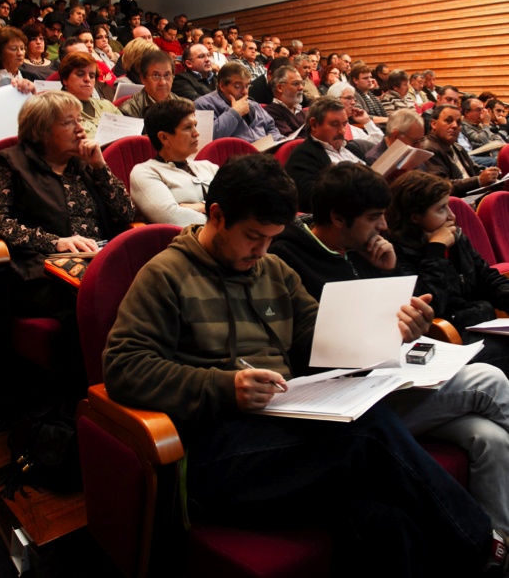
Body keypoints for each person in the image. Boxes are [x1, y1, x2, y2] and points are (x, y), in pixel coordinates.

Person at [103, 153, 501, 578]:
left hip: (285, 435)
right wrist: (225, 385)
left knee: (388, 521)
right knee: (370, 431)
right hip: (213, 452)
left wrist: (394, 331)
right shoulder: (166, 274)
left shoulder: (272, 269)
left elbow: (323, 340)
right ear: (216, 216)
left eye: (272, 238)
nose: (262, 250)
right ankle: (484, 550)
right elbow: (125, 367)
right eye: (253, 236)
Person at [270, 161, 509, 535]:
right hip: (347, 403)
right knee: (490, 379)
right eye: (374, 217)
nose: (384, 226)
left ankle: (497, 551)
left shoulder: (367, 250)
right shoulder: (288, 259)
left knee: (489, 438)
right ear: (337, 217)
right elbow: (309, 349)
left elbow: (408, 320)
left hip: (390, 381)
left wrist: (390, 271)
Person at [0, 90, 134, 319]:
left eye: (79, 120)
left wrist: (100, 167)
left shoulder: (84, 165)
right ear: (41, 131)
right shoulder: (10, 164)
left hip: (98, 261)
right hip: (43, 272)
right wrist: (55, 242)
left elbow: (126, 215)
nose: (80, 129)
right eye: (68, 122)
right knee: (108, 302)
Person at [387, 170, 509, 375]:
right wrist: (435, 250)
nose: (452, 216)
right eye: (441, 209)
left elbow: (488, 280)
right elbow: (430, 306)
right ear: (415, 217)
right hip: (445, 339)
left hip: (478, 326)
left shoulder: (456, 238)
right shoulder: (395, 253)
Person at [130, 98, 218, 225]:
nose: (196, 133)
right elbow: (172, 217)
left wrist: (202, 206)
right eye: (188, 128)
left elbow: (241, 201)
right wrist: (224, 222)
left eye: (195, 125)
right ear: (164, 137)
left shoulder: (208, 167)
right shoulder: (145, 172)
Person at [285, 97, 367, 212]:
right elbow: (309, 200)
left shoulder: (352, 149)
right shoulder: (303, 156)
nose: (342, 131)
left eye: (344, 124)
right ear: (314, 125)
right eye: (335, 124)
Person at [422, 105, 499, 197]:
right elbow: (441, 186)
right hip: (454, 204)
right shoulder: (427, 149)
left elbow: (474, 169)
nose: (455, 126)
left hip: (473, 196)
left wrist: (492, 176)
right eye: (448, 121)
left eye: (458, 122)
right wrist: (478, 180)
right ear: (434, 124)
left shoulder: (456, 146)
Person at [195, 62, 282, 142]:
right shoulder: (203, 104)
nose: (245, 92)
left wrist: (280, 141)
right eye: (238, 86)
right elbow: (206, 139)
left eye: (247, 86)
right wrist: (235, 112)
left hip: (263, 154)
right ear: (222, 85)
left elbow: (271, 128)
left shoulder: (252, 103)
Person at [59, 52, 121, 139]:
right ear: (65, 79)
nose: (87, 79)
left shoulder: (107, 105)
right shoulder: (58, 112)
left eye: (92, 76)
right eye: (80, 74)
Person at [119, 48, 177, 119]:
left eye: (167, 75)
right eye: (156, 76)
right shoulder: (129, 110)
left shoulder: (185, 106)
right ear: (143, 78)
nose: (163, 82)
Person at [263, 64, 308, 137]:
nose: (301, 87)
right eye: (296, 83)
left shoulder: (303, 112)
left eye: (302, 83)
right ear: (280, 88)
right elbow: (290, 140)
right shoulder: (270, 112)